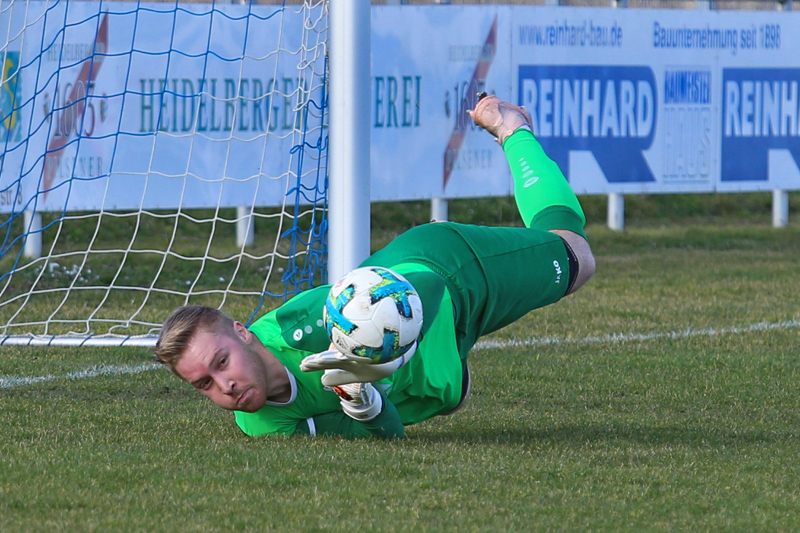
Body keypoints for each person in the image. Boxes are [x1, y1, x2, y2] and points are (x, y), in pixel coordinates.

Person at [154, 95, 596, 439]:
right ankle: (441, 366)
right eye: (204, 384)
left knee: (576, 256)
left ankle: (510, 127)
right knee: (449, 391)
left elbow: (427, 284)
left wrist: (383, 347)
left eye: (221, 362)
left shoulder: (309, 325)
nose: (223, 386)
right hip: (438, 364)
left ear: (242, 332)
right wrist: (364, 402)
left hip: (449, 273)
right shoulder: (262, 424)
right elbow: (378, 437)